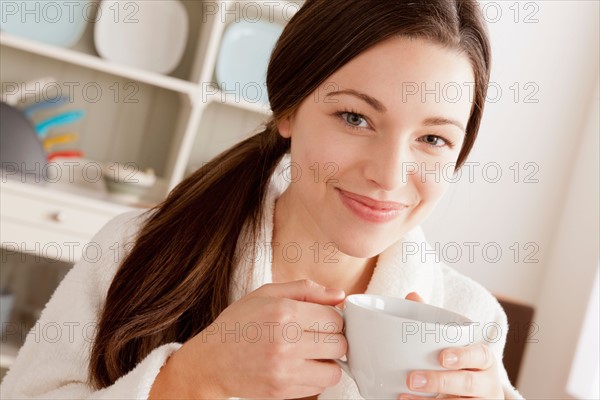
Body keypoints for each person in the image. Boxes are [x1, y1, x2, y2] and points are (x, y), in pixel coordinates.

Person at [1, 0, 525, 398]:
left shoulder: (468, 321)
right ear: (289, 110)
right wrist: (186, 381)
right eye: (355, 118)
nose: (389, 176)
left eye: (433, 139)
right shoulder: (136, 250)